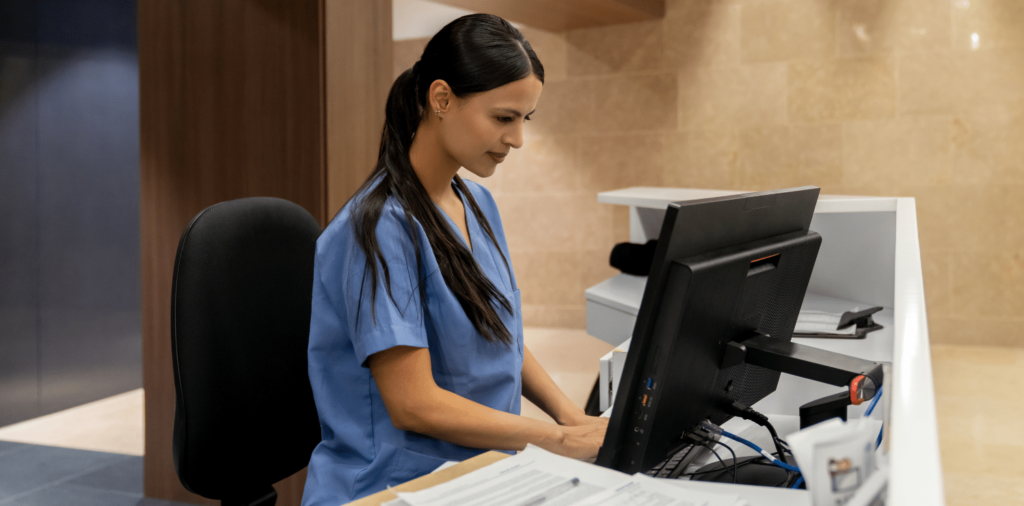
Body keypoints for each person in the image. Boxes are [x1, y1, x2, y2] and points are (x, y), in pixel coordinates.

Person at [301, 14, 608, 505]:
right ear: (441, 99)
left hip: (486, 467)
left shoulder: (478, 204)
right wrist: (557, 441)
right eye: (504, 118)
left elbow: (499, 335)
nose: (517, 139)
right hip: (395, 486)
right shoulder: (378, 227)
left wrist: (571, 417)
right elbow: (413, 405)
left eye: (524, 120)